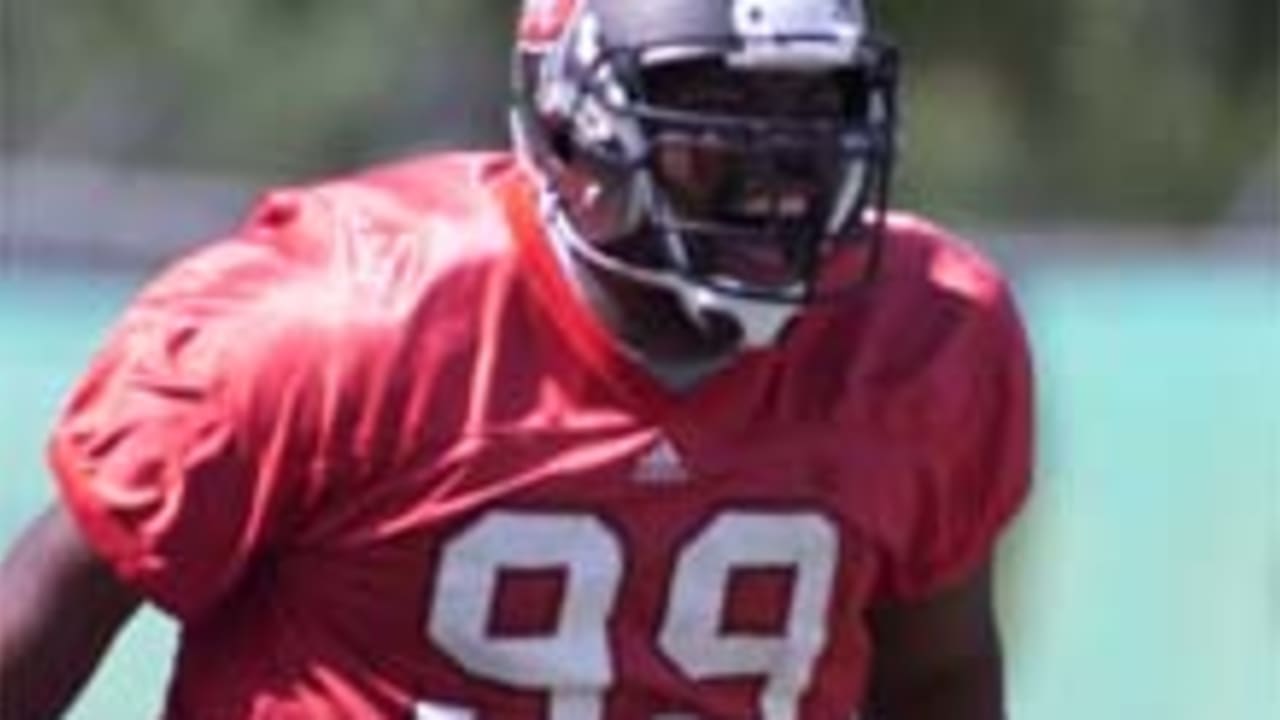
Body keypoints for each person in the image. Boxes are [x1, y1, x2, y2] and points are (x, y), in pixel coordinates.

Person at [0, 0, 1034, 717]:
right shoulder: (341, 318)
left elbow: (937, 677)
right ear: (576, 115)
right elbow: (41, 625)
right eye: (720, 100)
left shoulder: (923, 338)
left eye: (813, 103)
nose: (782, 156)